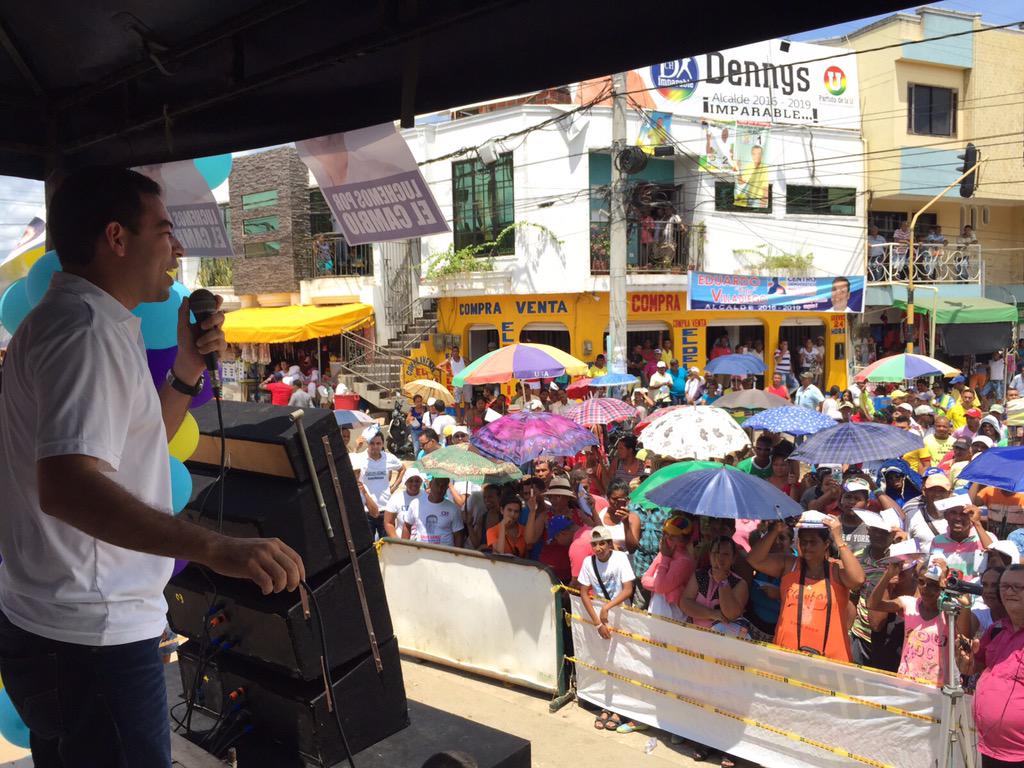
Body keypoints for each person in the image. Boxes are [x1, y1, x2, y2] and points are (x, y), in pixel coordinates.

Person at [0, 167, 305, 767]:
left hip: (59, 629)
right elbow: (67, 488)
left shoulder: (78, 322)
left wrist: (187, 371)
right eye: (164, 230)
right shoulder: (85, 333)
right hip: (92, 640)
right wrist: (220, 549)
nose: (178, 248)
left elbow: (132, 452)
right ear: (117, 238)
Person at [748, 514, 866, 661]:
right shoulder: (789, 565)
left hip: (830, 658)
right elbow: (754, 560)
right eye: (803, 541)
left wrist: (839, 539)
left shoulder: (836, 569)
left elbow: (858, 579)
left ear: (826, 544)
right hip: (787, 653)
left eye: (813, 542)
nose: (807, 547)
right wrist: (774, 531)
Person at [958, 564, 1024, 767]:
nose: (1008, 592)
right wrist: (966, 663)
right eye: (1004, 587)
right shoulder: (995, 630)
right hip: (989, 747)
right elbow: (974, 666)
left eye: (1016, 587)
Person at [578, 527, 635, 730]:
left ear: (610, 544)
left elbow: (628, 589)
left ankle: (620, 709)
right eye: (594, 544)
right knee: (605, 664)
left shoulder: (620, 559)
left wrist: (607, 607)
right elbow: (583, 592)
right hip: (603, 620)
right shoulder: (588, 562)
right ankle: (607, 704)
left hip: (622, 617)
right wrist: (598, 623)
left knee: (623, 665)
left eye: (602, 543)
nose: (599, 547)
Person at [868, 560, 949, 685]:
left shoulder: (950, 614)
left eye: (933, 585)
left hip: (938, 687)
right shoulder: (909, 604)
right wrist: (888, 575)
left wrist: (945, 582)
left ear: (942, 586)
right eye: (922, 582)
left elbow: (966, 631)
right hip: (906, 682)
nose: (926, 589)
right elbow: (874, 604)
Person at [641, 514, 696, 621]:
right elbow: (644, 580)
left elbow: (660, 587)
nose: (667, 538)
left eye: (673, 535)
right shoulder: (663, 553)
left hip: (673, 615)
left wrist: (666, 559)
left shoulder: (684, 561)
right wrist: (660, 585)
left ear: (684, 540)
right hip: (656, 609)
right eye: (666, 534)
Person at [351, 431, 405, 540]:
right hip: (366, 510)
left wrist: (393, 487)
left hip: (385, 509)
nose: (375, 446)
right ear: (367, 443)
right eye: (372, 443)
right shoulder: (360, 458)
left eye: (378, 443)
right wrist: (356, 447)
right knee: (368, 545)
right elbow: (349, 462)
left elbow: (402, 469)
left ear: (382, 444)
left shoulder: (389, 458)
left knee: (387, 545)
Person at [929, 498, 992, 584]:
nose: (958, 518)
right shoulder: (938, 541)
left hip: (975, 593)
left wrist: (977, 523)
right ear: (946, 516)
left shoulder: (985, 537)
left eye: (963, 514)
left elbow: (994, 554)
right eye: (953, 513)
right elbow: (934, 572)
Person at [400, 477, 465, 546]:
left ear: (447, 488)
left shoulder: (453, 508)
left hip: (445, 554)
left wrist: (456, 555)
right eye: (437, 484)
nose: (439, 489)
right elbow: (407, 526)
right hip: (421, 552)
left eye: (443, 486)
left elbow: (458, 535)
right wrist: (404, 548)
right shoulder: (416, 504)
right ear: (430, 484)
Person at [600, 480, 641, 553]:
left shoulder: (633, 518)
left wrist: (626, 523)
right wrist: (613, 546)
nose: (617, 503)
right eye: (614, 499)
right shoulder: (600, 514)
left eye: (621, 499)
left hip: (624, 562)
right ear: (608, 497)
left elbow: (632, 549)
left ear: (627, 500)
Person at [383, 470, 425, 538]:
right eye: (410, 481)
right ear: (405, 482)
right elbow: (388, 522)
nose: (414, 483)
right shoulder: (396, 498)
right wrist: (397, 540)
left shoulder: (427, 496)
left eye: (417, 481)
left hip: (423, 542)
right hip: (402, 540)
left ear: (421, 482)